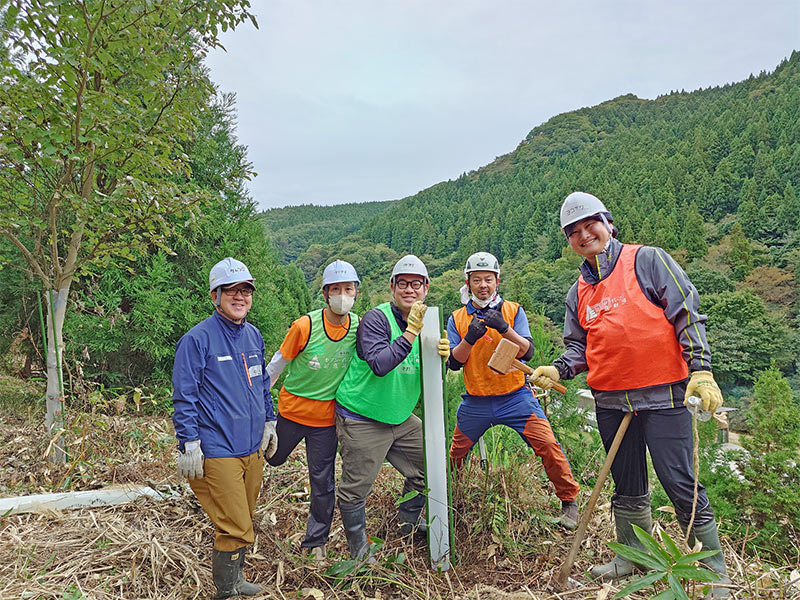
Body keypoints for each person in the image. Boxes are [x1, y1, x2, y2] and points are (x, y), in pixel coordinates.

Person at [532, 192, 730, 596]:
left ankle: (714, 570)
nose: (585, 235)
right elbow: (578, 347)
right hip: (609, 399)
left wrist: (702, 370)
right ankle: (632, 557)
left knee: (679, 481)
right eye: (574, 232)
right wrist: (559, 368)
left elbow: (686, 312)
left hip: (663, 396)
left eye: (591, 225)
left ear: (608, 224)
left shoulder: (647, 260)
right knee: (627, 481)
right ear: (569, 241)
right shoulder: (577, 293)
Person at [446, 252, 581, 529]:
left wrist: (504, 328)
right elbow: (454, 363)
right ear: (468, 282)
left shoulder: (513, 310)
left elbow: (528, 352)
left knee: (547, 444)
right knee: (456, 454)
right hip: (476, 400)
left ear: (497, 281)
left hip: (515, 397)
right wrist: (470, 338)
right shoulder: (458, 318)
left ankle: (569, 501)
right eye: (477, 280)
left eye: (488, 279)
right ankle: (447, 500)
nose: (483, 285)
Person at [172, 257, 278, 599]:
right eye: (230, 290)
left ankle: (234, 581)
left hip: (251, 447)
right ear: (215, 295)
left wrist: (269, 421)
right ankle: (225, 591)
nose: (239, 297)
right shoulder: (197, 339)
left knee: (242, 516)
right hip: (217, 449)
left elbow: (262, 384)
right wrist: (189, 442)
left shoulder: (253, 335)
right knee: (236, 524)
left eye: (245, 291)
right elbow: (184, 396)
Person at [334, 254, 450, 559]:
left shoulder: (430, 323)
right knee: (356, 487)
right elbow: (380, 365)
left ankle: (408, 524)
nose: (409, 290)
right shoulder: (377, 319)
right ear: (392, 287)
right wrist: (411, 332)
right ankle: (358, 550)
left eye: (416, 284)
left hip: (400, 417)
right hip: (363, 417)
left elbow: (431, 376)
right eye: (402, 284)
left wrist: (444, 359)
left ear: (426, 287)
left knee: (432, 466)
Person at [265, 260, 361, 566]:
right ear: (325, 294)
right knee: (272, 457)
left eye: (348, 289)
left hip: (325, 422)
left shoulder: (357, 327)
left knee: (323, 482)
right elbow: (277, 365)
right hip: (292, 412)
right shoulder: (305, 326)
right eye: (336, 290)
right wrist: (257, 403)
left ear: (356, 293)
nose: (342, 295)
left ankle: (315, 541)